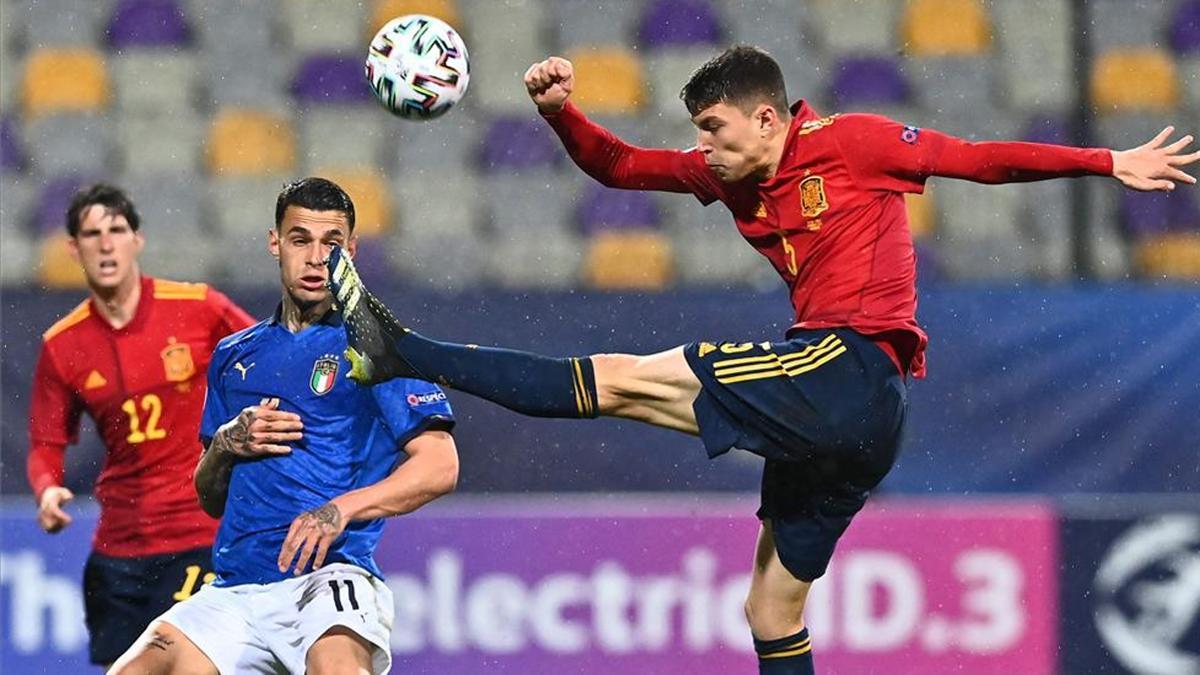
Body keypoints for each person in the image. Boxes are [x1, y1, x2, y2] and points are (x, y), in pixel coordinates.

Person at [325, 46, 1199, 675]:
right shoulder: (732, 174)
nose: (703, 146)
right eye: (698, 133)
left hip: (845, 368)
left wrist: (1107, 159)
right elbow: (622, 168)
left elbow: (976, 161)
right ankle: (399, 349)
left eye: (713, 128)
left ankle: (400, 348)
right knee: (772, 609)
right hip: (857, 423)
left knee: (621, 380)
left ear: (770, 117)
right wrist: (562, 115)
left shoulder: (855, 143)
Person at [108, 177, 459, 675]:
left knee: (338, 668)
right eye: (300, 240)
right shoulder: (234, 356)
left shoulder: (377, 346)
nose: (317, 258)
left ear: (351, 251)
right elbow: (211, 498)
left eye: (332, 244)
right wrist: (226, 446)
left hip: (328, 579)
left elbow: (440, 466)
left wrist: (338, 510)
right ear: (275, 243)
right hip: (235, 589)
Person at [25, 183, 255, 668]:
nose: (106, 244)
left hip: (200, 532)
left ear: (137, 239)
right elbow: (46, 444)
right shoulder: (62, 345)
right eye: (92, 234)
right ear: (74, 248)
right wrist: (47, 489)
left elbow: (268, 358)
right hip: (119, 551)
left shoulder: (199, 307)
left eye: (116, 230)